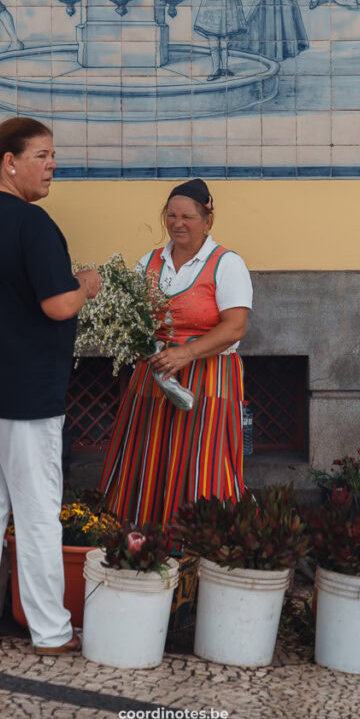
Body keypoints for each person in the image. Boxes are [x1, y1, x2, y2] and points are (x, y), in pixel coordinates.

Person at [0, 117, 101, 654]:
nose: (53, 165)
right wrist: (87, 286)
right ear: (10, 162)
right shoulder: (33, 225)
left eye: (54, 155)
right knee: (34, 514)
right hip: (22, 396)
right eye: (43, 155)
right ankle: (50, 632)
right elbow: (57, 305)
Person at [99, 178, 253, 526]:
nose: (177, 223)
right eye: (171, 216)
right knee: (148, 455)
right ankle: (142, 538)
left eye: (188, 216)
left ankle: (201, 545)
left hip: (208, 377)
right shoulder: (149, 263)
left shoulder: (226, 264)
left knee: (204, 459)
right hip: (154, 375)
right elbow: (132, 317)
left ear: (207, 220)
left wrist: (186, 354)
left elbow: (234, 327)